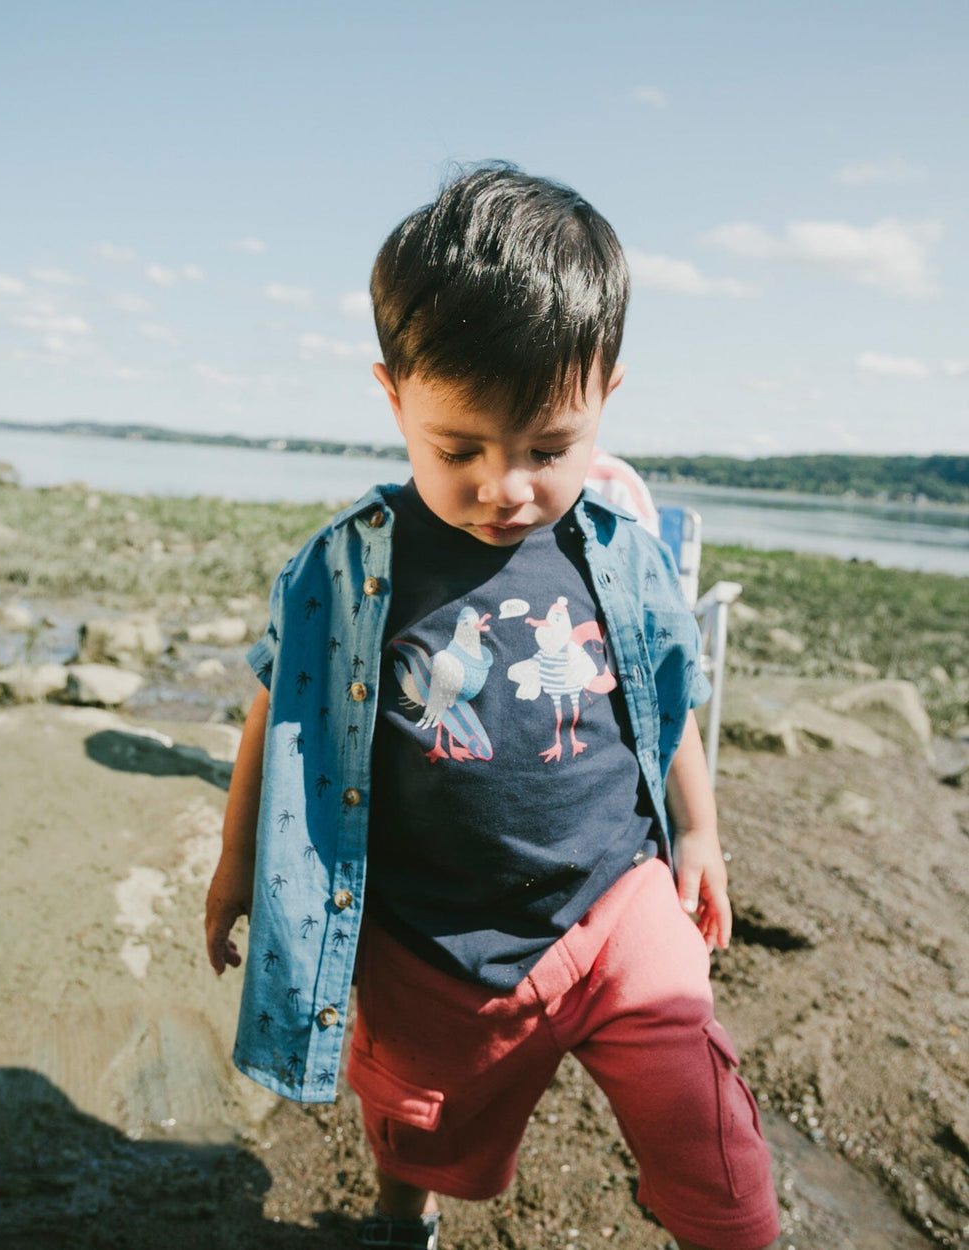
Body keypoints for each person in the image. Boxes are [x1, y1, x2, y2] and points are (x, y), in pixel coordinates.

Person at [205, 165, 780, 1250]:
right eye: (458, 448)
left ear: (605, 394)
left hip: (617, 903)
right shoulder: (344, 568)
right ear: (395, 399)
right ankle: (402, 1218)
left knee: (704, 1122)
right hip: (435, 939)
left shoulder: (624, 556)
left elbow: (669, 697)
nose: (505, 487)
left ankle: (732, 1229)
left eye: (548, 450)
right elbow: (277, 720)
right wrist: (240, 864)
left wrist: (699, 831)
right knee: (420, 1125)